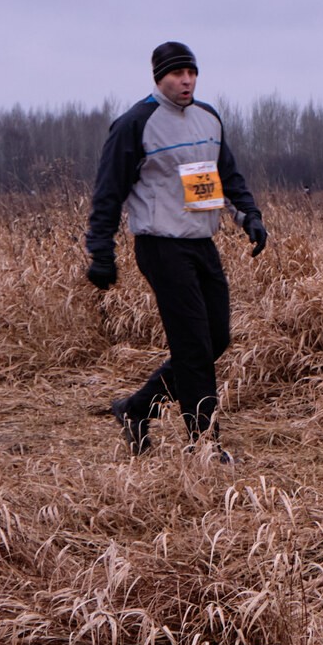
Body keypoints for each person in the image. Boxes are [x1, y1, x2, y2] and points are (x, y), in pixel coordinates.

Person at [84, 41, 267, 459]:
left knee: (215, 338)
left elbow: (226, 176)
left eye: (192, 73)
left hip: (201, 243)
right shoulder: (136, 123)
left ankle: (137, 408)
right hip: (161, 246)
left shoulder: (208, 118)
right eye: (176, 74)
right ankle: (203, 445)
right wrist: (101, 251)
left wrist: (249, 217)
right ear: (158, 78)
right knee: (193, 348)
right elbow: (108, 193)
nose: (186, 81)